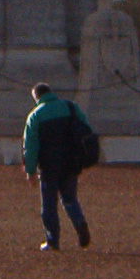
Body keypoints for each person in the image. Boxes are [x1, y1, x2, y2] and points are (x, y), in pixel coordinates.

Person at [21, 83, 93, 253]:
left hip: (49, 165)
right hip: (70, 162)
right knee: (70, 199)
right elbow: (86, 128)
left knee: (49, 204)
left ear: (36, 97)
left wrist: (30, 171)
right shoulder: (70, 107)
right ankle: (80, 223)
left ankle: (52, 241)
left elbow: (30, 146)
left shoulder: (35, 116)